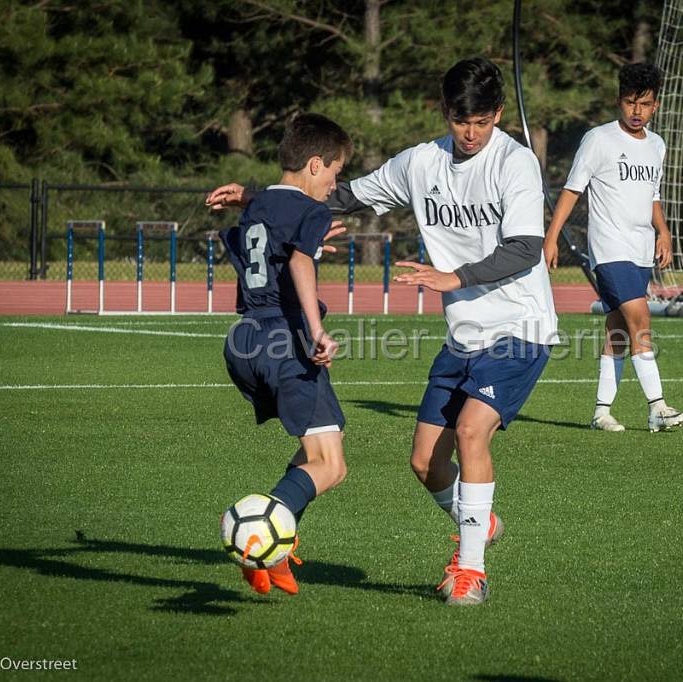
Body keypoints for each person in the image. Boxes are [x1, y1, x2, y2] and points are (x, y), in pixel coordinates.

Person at [207, 57, 558, 606]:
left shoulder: (515, 164)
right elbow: (339, 193)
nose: (471, 134)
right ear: (445, 112)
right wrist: (258, 198)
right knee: (424, 462)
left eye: (483, 122)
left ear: (498, 115)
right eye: (461, 121)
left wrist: (453, 276)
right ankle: (478, 521)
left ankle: (471, 569)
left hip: (519, 326)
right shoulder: (422, 162)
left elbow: (525, 249)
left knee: (471, 433)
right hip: (463, 335)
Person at [213, 113, 352, 596]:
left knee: (313, 454)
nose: (334, 187)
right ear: (315, 165)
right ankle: (258, 534)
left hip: (245, 341)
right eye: (334, 175)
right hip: (285, 342)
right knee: (332, 466)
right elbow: (297, 259)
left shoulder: (261, 205)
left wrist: (248, 197)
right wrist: (317, 332)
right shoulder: (311, 212)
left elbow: (267, 226)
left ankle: (279, 540)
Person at [544, 62, 683, 434]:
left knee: (618, 333)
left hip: (641, 250)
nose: (636, 112)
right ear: (618, 101)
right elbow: (572, 190)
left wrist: (664, 232)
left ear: (656, 106)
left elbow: (652, 196)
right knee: (641, 320)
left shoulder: (657, 145)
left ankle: (601, 413)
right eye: (629, 103)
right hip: (609, 250)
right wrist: (552, 236)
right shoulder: (598, 139)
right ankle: (657, 407)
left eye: (645, 105)